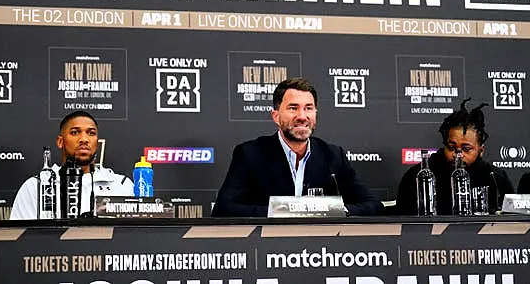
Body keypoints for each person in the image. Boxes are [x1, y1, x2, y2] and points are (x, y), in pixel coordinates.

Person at [212, 77, 383, 217]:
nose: (302, 116)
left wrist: (337, 211)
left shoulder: (333, 155)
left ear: (315, 114)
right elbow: (223, 209)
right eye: (293, 108)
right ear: (276, 116)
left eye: (308, 108)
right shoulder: (250, 154)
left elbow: (373, 205)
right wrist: (284, 211)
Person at [395, 98, 514, 215]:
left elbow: (512, 223)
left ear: (481, 150)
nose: (458, 155)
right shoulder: (418, 176)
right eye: (452, 148)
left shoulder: (496, 178)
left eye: (466, 149)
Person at [10, 111, 133, 220]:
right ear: (60, 141)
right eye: (75, 132)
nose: (84, 139)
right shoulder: (36, 186)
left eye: (91, 133)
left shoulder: (122, 185)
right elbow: (21, 240)